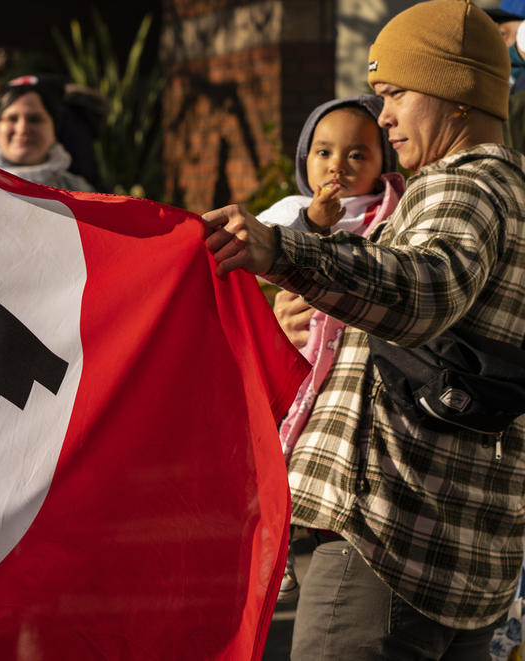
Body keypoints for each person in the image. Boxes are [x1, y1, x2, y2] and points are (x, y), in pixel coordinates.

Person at [201, 1, 525, 658]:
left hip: (389, 543)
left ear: (455, 91)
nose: (383, 117)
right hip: (462, 555)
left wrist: (281, 251)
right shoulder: (507, 191)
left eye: (395, 92)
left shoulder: (462, 186)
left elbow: (423, 287)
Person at [256, 94, 405, 604]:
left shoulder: (395, 210)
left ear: (384, 162)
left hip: (346, 364)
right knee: (276, 454)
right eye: (323, 152)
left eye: (357, 154)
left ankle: (296, 543)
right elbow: (265, 254)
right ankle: (277, 559)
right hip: (300, 356)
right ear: (304, 160)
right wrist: (315, 225)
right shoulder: (295, 211)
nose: (337, 165)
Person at [0, 75, 95, 192]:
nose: (22, 129)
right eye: (12, 119)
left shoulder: (81, 193)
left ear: (53, 130)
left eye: (34, 119)